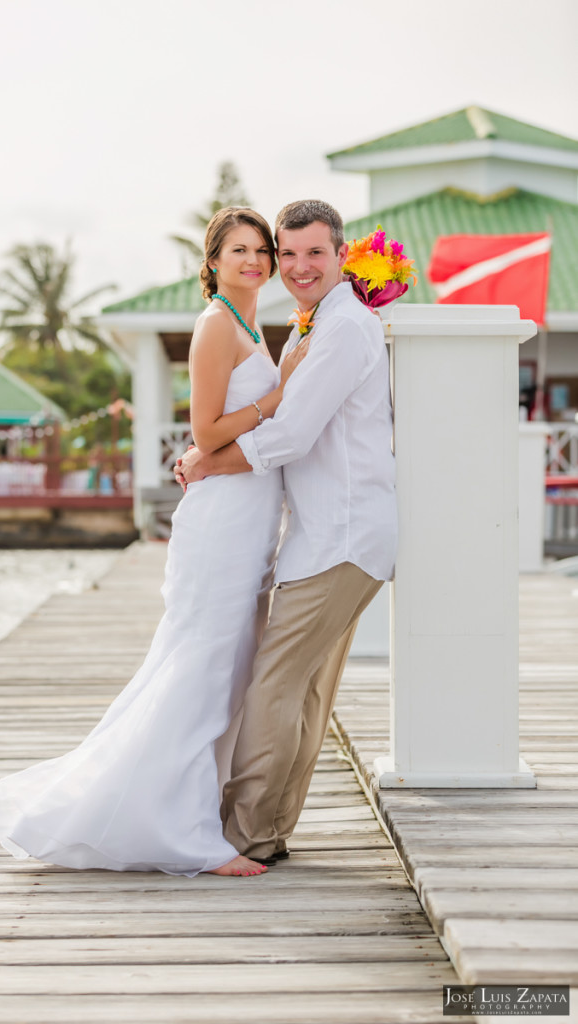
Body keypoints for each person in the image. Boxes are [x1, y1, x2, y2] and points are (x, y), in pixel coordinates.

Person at [0, 207, 309, 878]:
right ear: (212, 262)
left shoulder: (250, 324)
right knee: (205, 667)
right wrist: (282, 393)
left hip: (249, 521)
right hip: (221, 521)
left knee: (227, 671)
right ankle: (189, 837)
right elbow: (208, 432)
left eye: (260, 251)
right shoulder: (215, 326)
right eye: (238, 250)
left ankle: (190, 809)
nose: (254, 261)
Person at [175, 199, 398, 865]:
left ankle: (245, 834)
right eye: (289, 252)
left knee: (274, 686)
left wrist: (207, 460)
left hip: (342, 539)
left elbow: (293, 434)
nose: (298, 267)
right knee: (299, 691)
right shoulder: (317, 323)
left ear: (340, 254)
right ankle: (268, 830)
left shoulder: (344, 329)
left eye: (313, 254)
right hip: (328, 536)